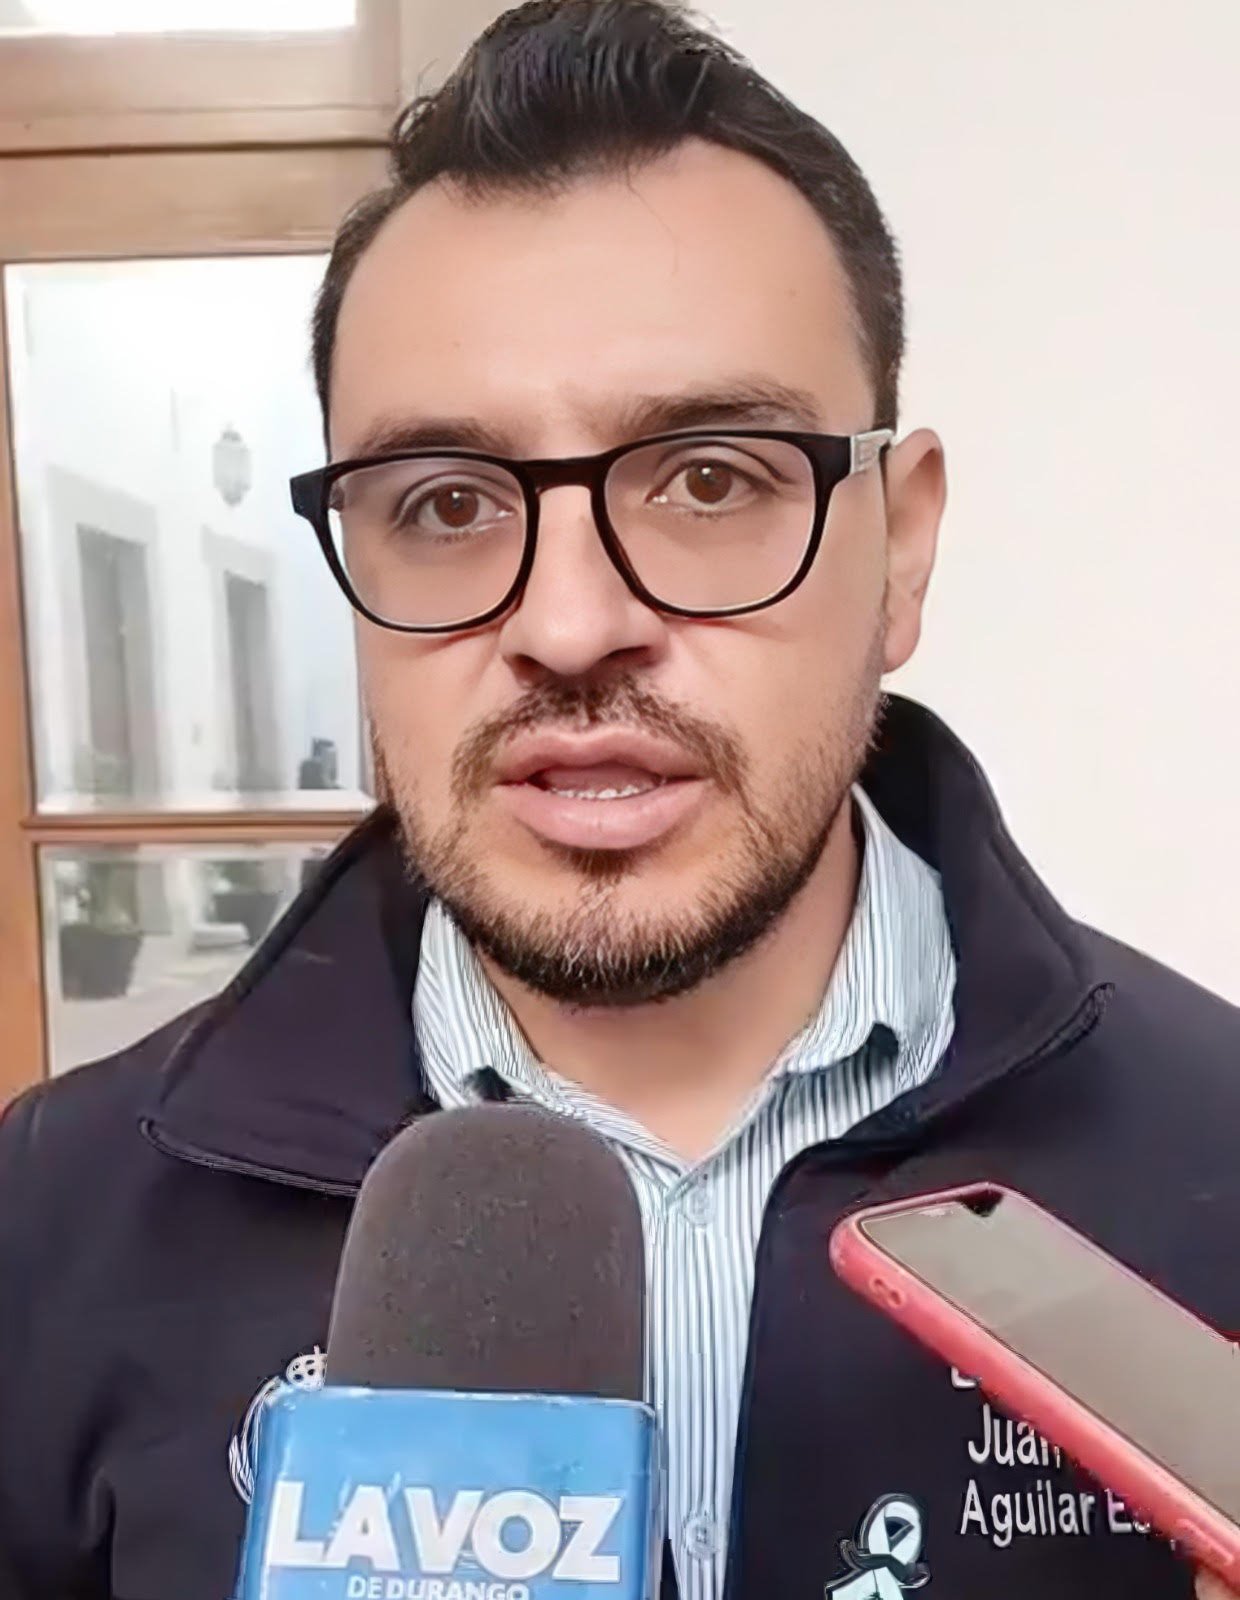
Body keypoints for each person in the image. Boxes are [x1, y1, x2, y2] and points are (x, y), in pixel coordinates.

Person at [1, 3, 1236, 1597]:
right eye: (445, 502)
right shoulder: (52, 1230)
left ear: (902, 547)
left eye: (711, 478)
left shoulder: (1218, 1165)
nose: (571, 625)